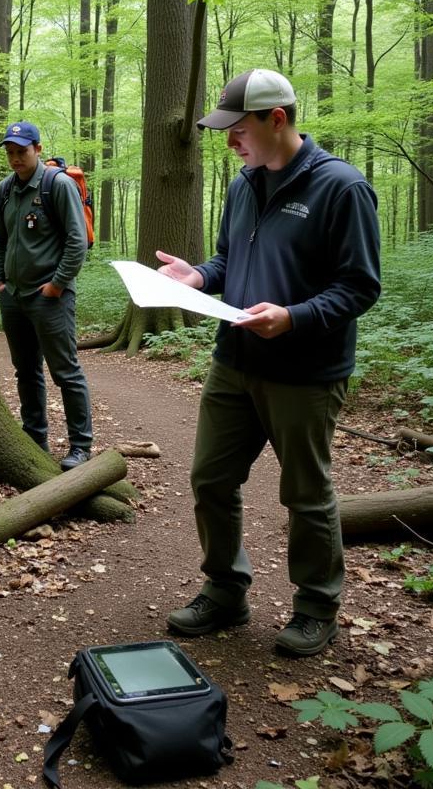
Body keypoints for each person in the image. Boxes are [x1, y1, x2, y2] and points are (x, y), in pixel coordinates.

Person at [158, 68, 381, 657]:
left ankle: (315, 607)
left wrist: (294, 316)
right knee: (210, 477)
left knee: (306, 494)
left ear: (276, 119)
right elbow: (229, 259)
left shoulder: (342, 188)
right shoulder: (243, 184)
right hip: (234, 360)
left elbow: (359, 286)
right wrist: (199, 276)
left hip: (305, 373)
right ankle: (226, 590)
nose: (230, 140)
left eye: (238, 129)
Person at [0, 121, 93, 470]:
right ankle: (35, 439)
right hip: (14, 297)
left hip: (50, 297)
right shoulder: (6, 190)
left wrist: (57, 284)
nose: (16, 158)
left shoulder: (58, 185)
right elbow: (0, 240)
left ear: (37, 148)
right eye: (10, 152)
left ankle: (81, 447)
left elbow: (76, 241)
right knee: (27, 371)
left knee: (65, 372)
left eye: (22, 151)